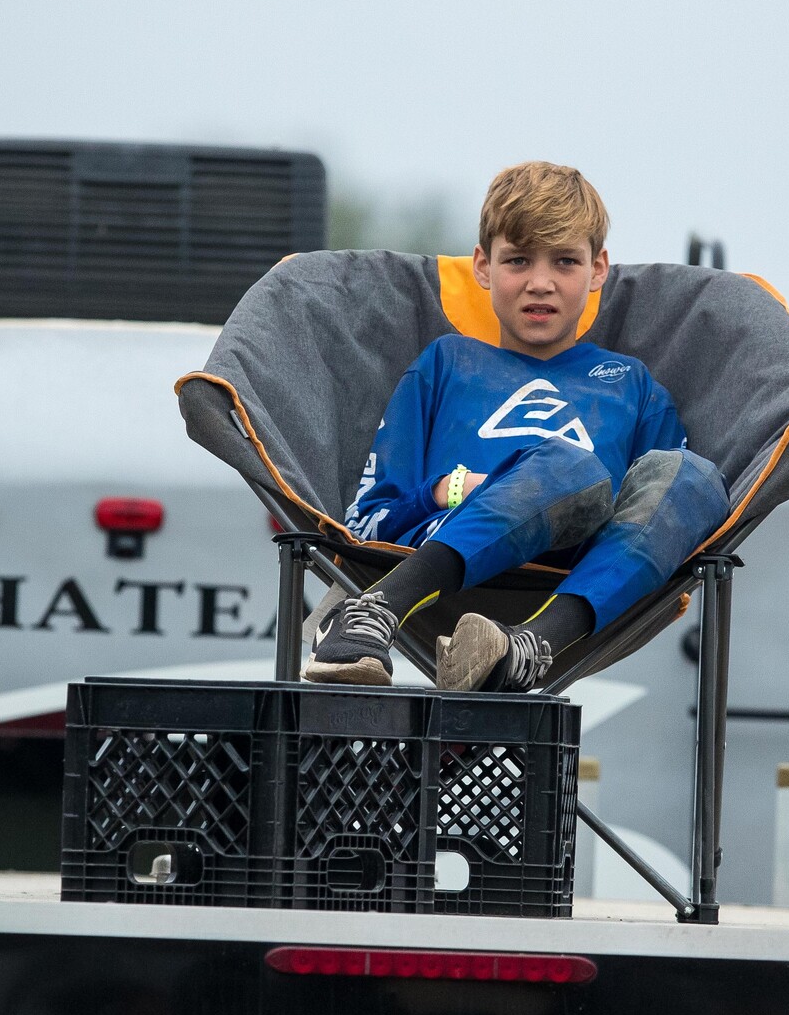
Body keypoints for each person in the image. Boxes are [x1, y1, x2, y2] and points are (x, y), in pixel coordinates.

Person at [305, 162, 728, 691]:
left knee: (695, 477)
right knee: (568, 465)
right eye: (519, 260)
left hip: (569, 584)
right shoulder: (446, 364)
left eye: (565, 262)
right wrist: (447, 490)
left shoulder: (632, 384)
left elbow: (666, 521)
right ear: (483, 266)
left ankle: (529, 647)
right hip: (438, 580)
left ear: (598, 270)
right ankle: (375, 611)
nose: (540, 283)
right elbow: (368, 522)